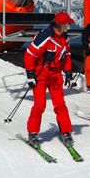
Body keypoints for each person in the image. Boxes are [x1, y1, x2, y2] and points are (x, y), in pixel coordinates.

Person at [24, 11, 76, 146]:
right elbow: (29, 55)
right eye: (68, 24)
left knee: (60, 104)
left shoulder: (65, 38)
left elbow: (66, 57)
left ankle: (65, 132)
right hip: (41, 74)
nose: (69, 26)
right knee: (39, 105)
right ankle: (33, 133)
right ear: (62, 25)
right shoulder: (44, 36)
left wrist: (69, 74)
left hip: (55, 75)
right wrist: (30, 75)